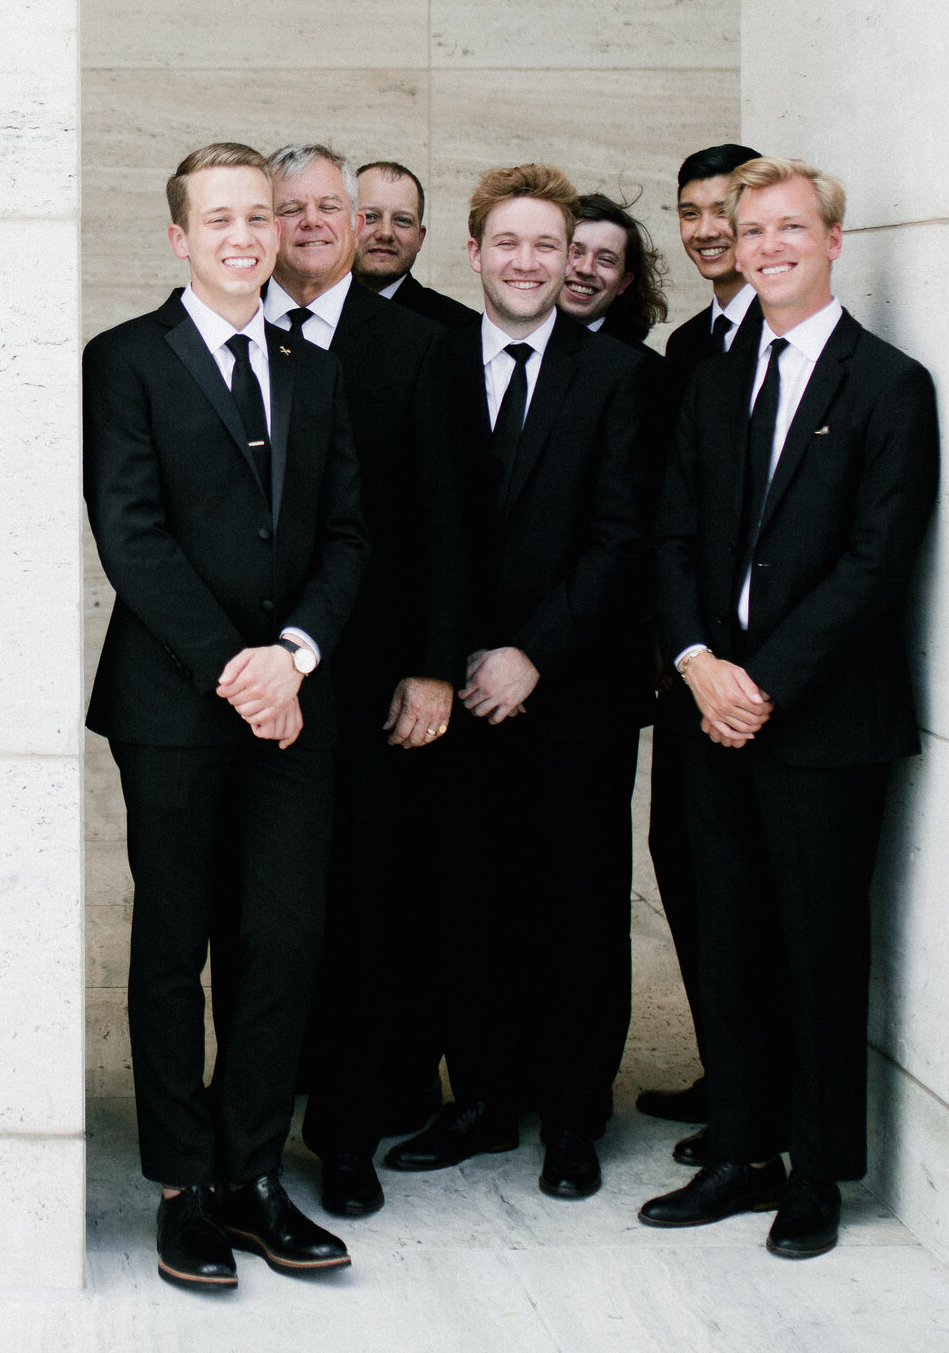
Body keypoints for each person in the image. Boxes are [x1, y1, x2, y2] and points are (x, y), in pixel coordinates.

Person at [640, 159, 939, 1260]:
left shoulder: (888, 383)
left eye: (786, 227)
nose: (765, 244)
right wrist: (696, 661)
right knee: (723, 937)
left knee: (815, 946)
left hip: (819, 719)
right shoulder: (714, 375)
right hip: (704, 703)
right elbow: (666, 533)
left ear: (830, 241)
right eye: (747, 228)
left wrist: (760, 681)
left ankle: (815, 1170)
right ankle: (740, 1146)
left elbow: (874, 561)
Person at [84, 144, 368, 1293]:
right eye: (220, 218)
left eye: (260, 215)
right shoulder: (123, 360)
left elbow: (348, 530)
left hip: (296, 703)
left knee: (282, 939)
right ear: (179, 237)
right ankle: (180, 1184)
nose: (245, 235)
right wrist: (235, 666)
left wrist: (291, 656)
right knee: (173, 945)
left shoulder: (314, 361)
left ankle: (253, 1173)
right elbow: (130, 530)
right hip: (172, 705)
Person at [384, 165, 648, 1204]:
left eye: (549, 245)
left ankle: (574, 1116)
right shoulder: (428, 363)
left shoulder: (620, 374)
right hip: (453, 694)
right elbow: (409, 530)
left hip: (572, 690)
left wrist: (531, 650)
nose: (531, 262)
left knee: (580, 907)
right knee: (468, 904)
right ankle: (484, 1096)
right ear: (476, 252)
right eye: (510, 243)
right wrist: (449, 660)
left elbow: (621, 534)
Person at [258, 143, 466, 1220]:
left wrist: (432, 666)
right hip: (255, 684)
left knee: (364, 910)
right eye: (287, 206)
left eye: (326, 206)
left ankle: (345, 1129)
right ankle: (251, 1101)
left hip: (377, 679)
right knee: (263, 911)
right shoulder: (234, 328)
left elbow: (445, 518)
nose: (310, 221)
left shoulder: (420, 346)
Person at [638, 141, 766, 1152]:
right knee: (684, 862)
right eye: (690, 211)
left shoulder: (787, 339)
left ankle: (754, 1102)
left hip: (765, 678)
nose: (707, 227)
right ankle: (731, 1070)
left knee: (752, 890)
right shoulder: (689, 348)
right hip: (686, 667)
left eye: (725, 206)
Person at [347, 159, 477, 330]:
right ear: (344, 226)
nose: (385, 233)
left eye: (402, 220)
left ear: (420, 238)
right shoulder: (308, 309)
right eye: (370, 217)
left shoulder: (460, 329)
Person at [563, 192, 669, 349]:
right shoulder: (516, 345)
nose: (586, 269)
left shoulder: (647, 370)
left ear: (624, 282)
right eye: (575, 252)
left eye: (606, 260)